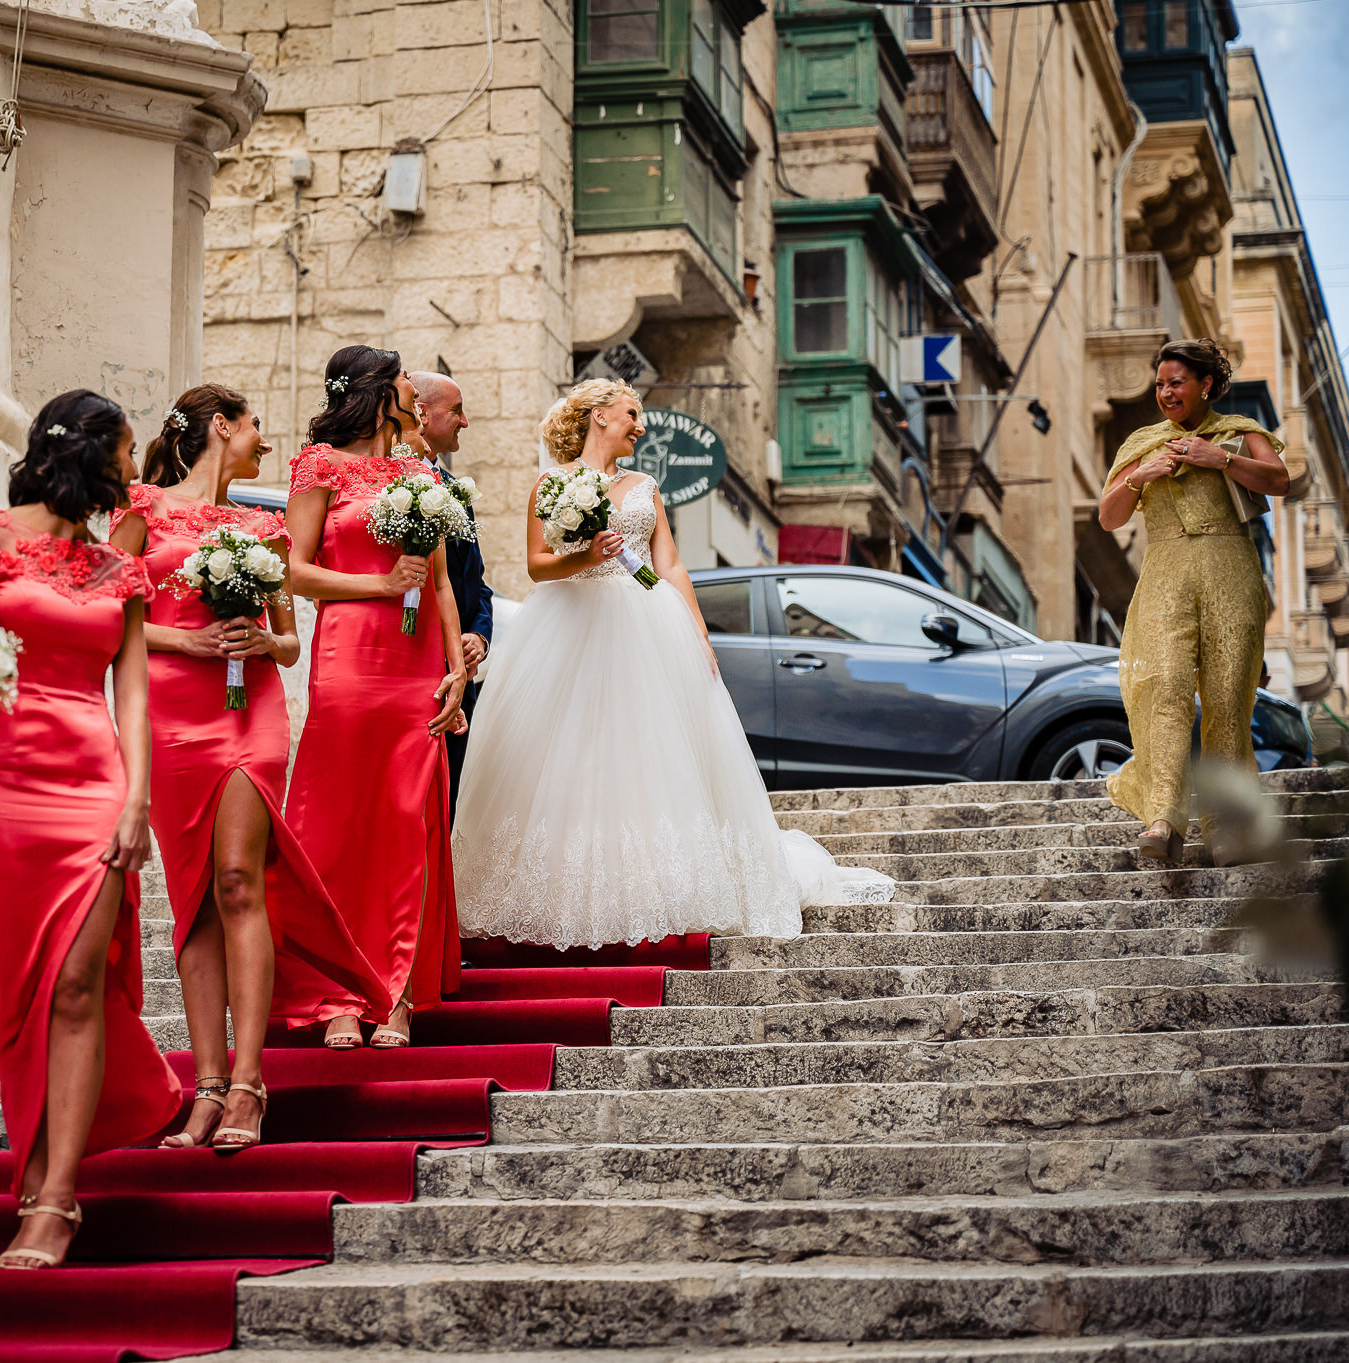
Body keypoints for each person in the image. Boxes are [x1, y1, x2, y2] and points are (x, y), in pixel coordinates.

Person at [451, 379, 893, 948]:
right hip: (566, 629)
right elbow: (538, 566)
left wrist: (695, 633)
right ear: (598, 417)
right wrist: (586, 554)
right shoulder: (551, 483)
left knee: (645, 754)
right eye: (632, 414)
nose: (640, 426)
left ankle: (654, 889)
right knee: (570, 757)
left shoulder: (646, 486)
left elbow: (669, 566)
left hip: (643, 622)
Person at [110, 383, 390, 1148]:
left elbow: (291, 640)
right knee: (194, 896)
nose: (265, 438)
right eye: (255, 424)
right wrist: (185, 642)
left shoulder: (262, 528)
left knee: (237, 878)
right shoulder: (143, 509)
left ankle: (247, 1083)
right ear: (219, 426)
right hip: (169, 714)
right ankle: (204, 1087)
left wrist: (267, 644)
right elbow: (108, 619)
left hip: (250, 712)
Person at [0, 391, 181, 1269]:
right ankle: (37, 1160)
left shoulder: (122, 569)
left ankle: (55, 1197)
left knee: (78, 982)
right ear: (83, 453)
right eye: (123, 454)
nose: (132, 472)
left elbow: (135, 690)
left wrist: (137, 800)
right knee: (20, 997)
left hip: (92, 783)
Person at [285, 345, 471, 1049]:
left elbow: (443, 582)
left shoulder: (420, 473)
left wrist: (455, 667)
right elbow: (295, 572)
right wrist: (379, 586)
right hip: (348, 662)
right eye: (402, 385)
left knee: (402, 826)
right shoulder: (317, 465)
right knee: (336, 826)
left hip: (415, 664)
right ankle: (335, 993)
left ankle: (393, 994)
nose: (413, 397)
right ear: (374, 393)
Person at [1098, 337, 1288, 865]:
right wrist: (1141, 475)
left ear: (1206, 385)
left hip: (1231, 570)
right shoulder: (1141, 442)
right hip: (1165, 572)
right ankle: (1163, 819)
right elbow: (1108, 517)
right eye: (1159, 384)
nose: (1165, 392)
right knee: (1165, 686)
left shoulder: (1240, 433)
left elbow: (1280, 481)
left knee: (1228, 698)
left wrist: (1220, 458)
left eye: (1175, 382)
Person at [407, 370, 494, 810]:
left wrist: (479, 635)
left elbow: (477, 584)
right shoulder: (384, 486)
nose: (465, 422)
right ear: (420, 412)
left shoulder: (457, 491)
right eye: (456, 410)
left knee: (449, 801)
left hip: (460, 672)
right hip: (409, 664)